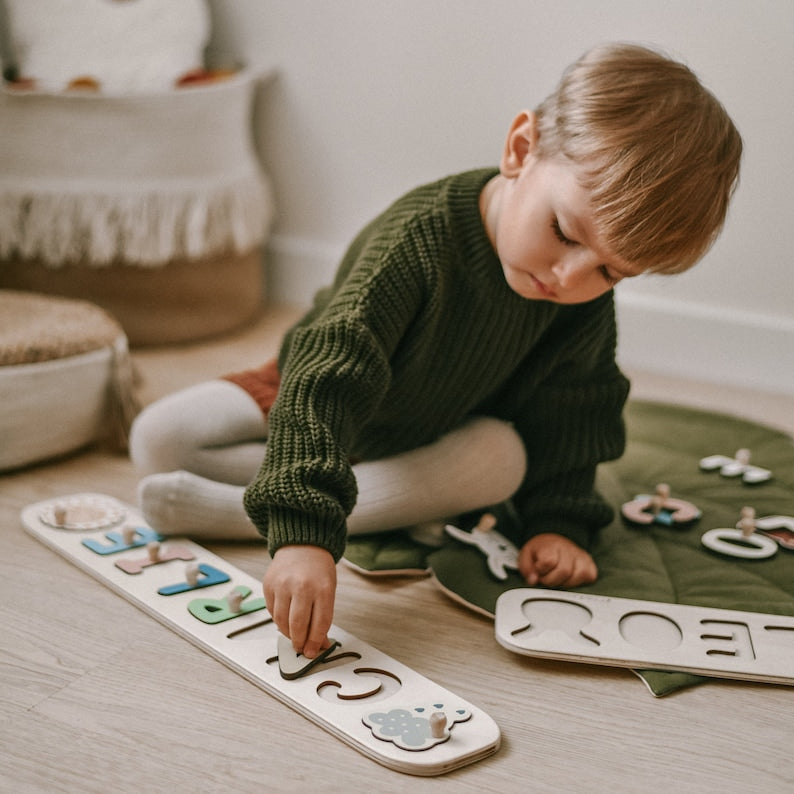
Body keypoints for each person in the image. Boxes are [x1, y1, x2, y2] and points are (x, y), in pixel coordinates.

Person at [130, 43, 742, 660]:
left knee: (500, 459)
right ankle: (303, 506)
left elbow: (575, 411)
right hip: (314, 393)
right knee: (159, 439)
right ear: (521, 151)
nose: (569, 277)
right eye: (564, 232)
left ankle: (242, 512)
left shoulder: (578, 306)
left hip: (438, 433)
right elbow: (328, 372)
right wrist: (303, 535)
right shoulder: (418, 239)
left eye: (610, 272)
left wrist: (559, 523)